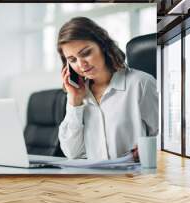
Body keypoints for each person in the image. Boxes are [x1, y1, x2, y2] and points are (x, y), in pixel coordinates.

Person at [57, 17, 158, 161]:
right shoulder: (79, 96)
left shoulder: (141, 83)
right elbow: (72, 153)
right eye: (72, 60)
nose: (81, 64)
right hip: (96, 179)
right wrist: (75, 103)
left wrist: (148, 151)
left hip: (134, 179)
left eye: (86, 53)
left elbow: (166, 141)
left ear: (103, 46)